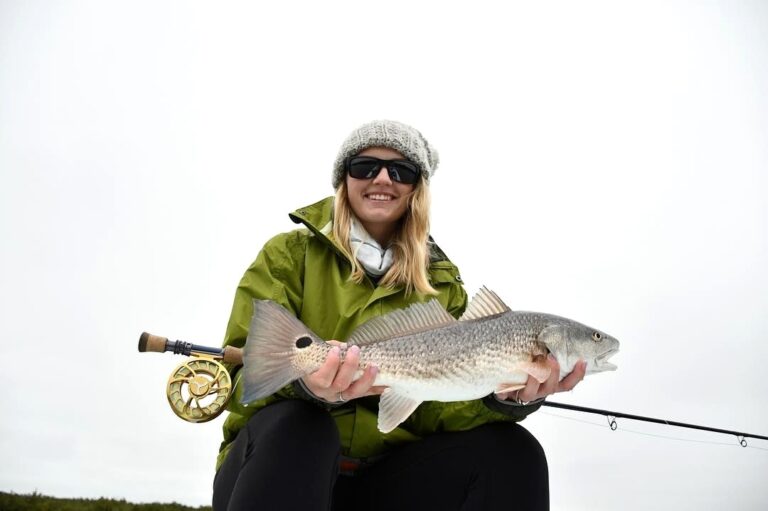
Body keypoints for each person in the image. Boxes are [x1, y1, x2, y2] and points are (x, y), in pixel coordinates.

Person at [211, 120, 587, 511]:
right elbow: (241, 377)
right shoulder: (288, 254)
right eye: (365, 166)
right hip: (273, 471)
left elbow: (437, 411)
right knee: (303, 426)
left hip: (383, 482)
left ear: (416, 189)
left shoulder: (442, 284)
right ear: (344, 178)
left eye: (401, 171)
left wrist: (503, 400)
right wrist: (309, 388)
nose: (383, 179)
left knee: (514, 451)